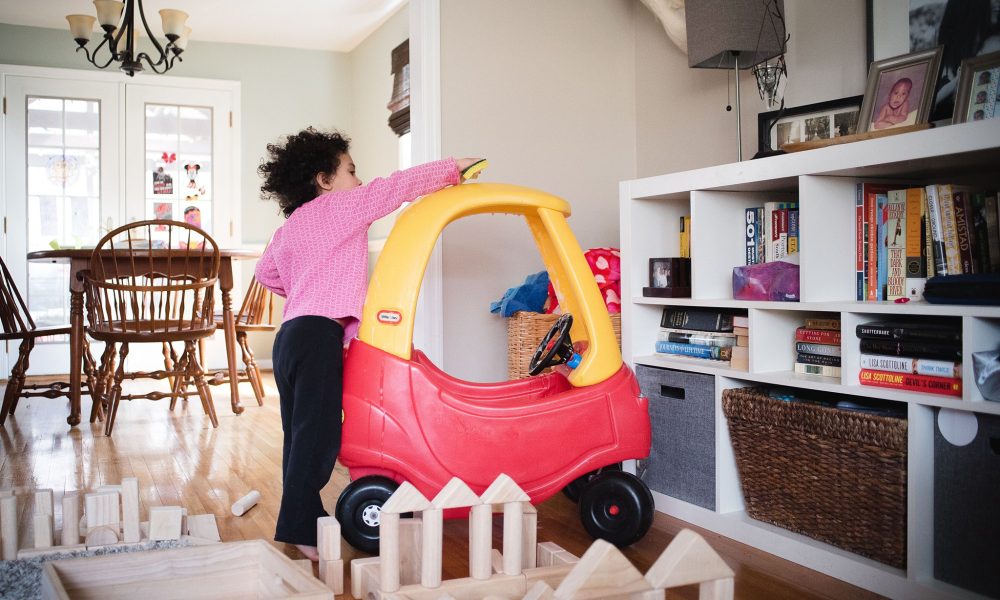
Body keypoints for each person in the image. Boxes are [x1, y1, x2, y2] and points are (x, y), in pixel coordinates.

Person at [254, 126, 481, 561]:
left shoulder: (289, 227)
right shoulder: (343, 205)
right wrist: (454, 168)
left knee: (298, 435)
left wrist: (305, 289)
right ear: (324, 180)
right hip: (318, 335)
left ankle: (306, 515)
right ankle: (298, 526)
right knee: (319, 438)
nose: (359, 181)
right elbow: (395, 188)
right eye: (351, 171)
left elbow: (265, 274)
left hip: (290, 337)